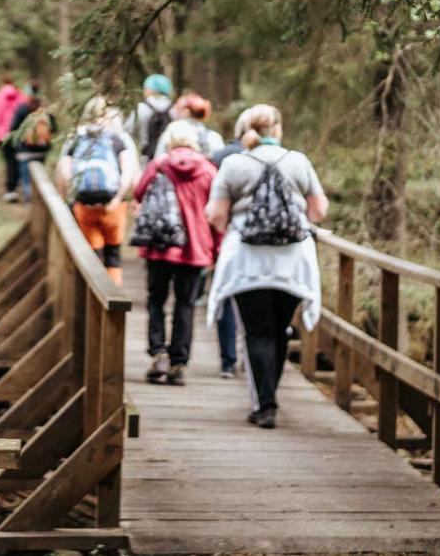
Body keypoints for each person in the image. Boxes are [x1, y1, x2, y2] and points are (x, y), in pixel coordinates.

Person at [205, 104, 329, 429]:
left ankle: (265, 404)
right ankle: (268, 396)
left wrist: (240, 219)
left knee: (257, 332)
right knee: (279, 330)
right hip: (293, 259)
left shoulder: (234, 163)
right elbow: (319, 210)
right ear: (277, 130)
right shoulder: (298, 161)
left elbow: (216, 216)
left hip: (248, 259)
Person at [134, 127, 221, 386]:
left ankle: (159, 353)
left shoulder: (159, 164)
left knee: (156, 300)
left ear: (170, 144)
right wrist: (216, 249)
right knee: (185, 305)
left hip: (160, 245)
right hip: (195, 247)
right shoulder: (208, 170)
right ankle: (179, 363)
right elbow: (216, 214)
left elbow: (139, 193)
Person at [56, 96, 137, 285]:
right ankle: (114, 295)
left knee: (93, 254)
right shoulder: (117, 138)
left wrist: (67, 196)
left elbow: (65, 172)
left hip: (85, 205)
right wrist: (119, 197)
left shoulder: (76, 137)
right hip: (114, 206)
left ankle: (93, 295)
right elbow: (129, 172)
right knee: (114, 254)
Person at [208, 106, 255, 378]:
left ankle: (228, 360)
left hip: (225, 237)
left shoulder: (219, 157)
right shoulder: (276, 158)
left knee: (226, 295)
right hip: (262, 242)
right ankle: (248, 356)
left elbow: (211, 204)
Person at [153, 92, 226, 160]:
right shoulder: (213, 136)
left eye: (179, 109)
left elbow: (158, 157)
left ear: (186, 112)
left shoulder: (173, 129)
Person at [10, 95, 56, 202]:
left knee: (26, 179)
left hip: (24, 151)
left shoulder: (22, 110)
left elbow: (13, 128)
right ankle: (39, 201)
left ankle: (30, 203)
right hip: (42, 150)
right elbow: (53, 128)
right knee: (39, 178)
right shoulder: (45, 112)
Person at [0, 76, 28, 202]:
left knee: (9, 161)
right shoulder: (21, 96)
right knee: (18, 160)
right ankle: (18, 184)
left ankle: (11, 189)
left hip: (3, 135)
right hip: (18, 133)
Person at [125, 74, 177, 163]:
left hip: (146, 161)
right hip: (170, 162)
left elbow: (127, 132)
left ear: (151, 90)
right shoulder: (175, 109)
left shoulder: (141, 108)